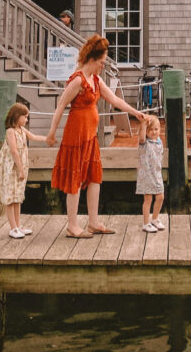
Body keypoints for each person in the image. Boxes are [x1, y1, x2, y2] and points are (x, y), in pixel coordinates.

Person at [47, 35, 149, 238]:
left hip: (90, 137)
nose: (103, 66)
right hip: (75, 137)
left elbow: (115, 100)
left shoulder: (96, 80)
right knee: (74, 179)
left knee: (94, 178)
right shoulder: (78, 80)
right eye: (102, 62)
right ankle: (72, 225)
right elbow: (60, 106)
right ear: (93, 59)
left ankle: (93, 222)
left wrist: (135, 113)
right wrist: (51, 133)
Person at [0, 103, 47, 239]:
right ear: (17, 116)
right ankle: (13, 228)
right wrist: (21, 169)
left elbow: (33, 137)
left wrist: (48, 139)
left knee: (17, 197)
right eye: (25, 117)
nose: (26, 120)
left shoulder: (22, 130)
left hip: (20, 167)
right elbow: (14, 151)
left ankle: (18, 224)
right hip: (12, 168)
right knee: (10, 198)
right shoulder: (10, 131)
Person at [136, 115, 165, 232]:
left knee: (160, 197)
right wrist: (143, 124)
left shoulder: (159, 142)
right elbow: (142, 137)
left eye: (156, 129)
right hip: (146, 175)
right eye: (150, 129)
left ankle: (155, 218)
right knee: (148, 199)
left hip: (157, 174)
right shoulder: (144, 143)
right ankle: (146, 223)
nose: (153, 132)